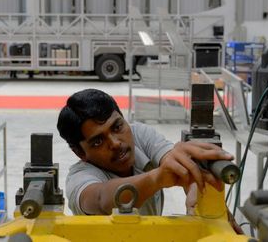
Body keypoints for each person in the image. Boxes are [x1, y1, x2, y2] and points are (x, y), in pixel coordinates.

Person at [57, 89, 233, 216]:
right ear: (80, 153)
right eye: (97, 141)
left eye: (117, 127)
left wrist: (198, 196)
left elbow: (175, 162)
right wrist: (157, 178)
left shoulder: (139, 134)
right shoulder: (79, 178)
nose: (116, 143)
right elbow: (100, 199)